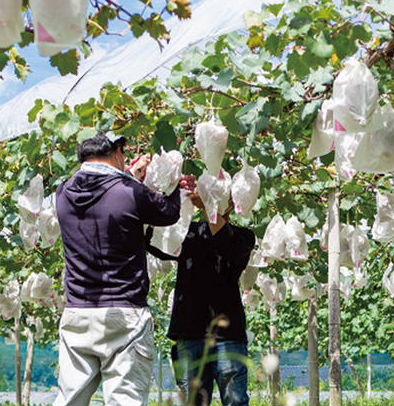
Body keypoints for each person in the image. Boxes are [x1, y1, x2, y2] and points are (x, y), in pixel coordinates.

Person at [54, 132, 181, 406]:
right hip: (124, 314)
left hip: (77, 312)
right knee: (125, 401)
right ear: (117, 152)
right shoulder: (130, 192)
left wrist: (129, 177)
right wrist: (173, 181)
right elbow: (169, 213)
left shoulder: (62, 193)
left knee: (70, 400)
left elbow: (108, 202)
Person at [146, 185, 255, 406]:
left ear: (232, 205)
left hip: (228, 337)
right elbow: (153, 241)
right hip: (189, 334)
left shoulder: (243, 237)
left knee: (235, 401)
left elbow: (226, 242)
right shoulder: (188, 234)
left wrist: (207, 204)